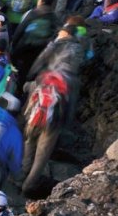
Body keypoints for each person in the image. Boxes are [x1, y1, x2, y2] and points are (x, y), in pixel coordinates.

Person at [20, 25, 83, 197]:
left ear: (66, 33)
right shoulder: (73, 65)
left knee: (30, 142)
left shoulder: (54, 48)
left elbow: (37, 68)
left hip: (37, 109)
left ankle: (24, 176)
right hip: (55, 114)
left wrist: (29, 85)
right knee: (42, 152)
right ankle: (29, 184)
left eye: (61, 32)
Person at [10, 0, 58, 85]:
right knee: (32, 69)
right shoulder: (53, 16)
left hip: (26, 46)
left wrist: (14, 45)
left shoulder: (34, 13)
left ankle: (19, 88)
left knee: (22, 70)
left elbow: (20, 29)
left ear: (42, 1)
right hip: (40, 49)